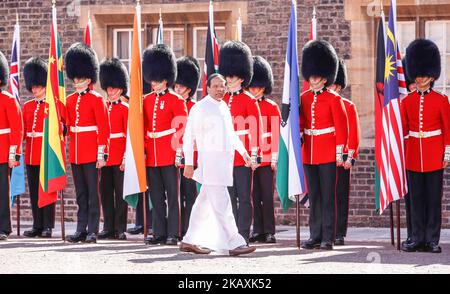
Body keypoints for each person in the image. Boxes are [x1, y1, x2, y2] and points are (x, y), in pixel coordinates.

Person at [180, 73, 256, 256]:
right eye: (216, 86)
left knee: (203, 204)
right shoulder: (200, 108)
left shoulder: (223, 107)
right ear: (207, 88)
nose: (220, 89)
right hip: (210, 164)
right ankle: (234, 242)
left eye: (223, 86)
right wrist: (188, 163)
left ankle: (189, 241)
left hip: (223, 164)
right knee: (223, 203)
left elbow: (231, 134)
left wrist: (244, 152)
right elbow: (189, 136)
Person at [401, 39, 450, 253]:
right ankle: (417, 237)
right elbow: (403, 131)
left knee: (433, 200)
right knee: (416, 199)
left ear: (431, 76)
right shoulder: (407, 101)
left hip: (434, 154)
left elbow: (447, 129)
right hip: (413, 154)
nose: (419, 78)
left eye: (423, 75)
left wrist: (447, 152)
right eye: (417, 74)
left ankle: (432, 239)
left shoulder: (441, 100)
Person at [300, 40, 348, 251]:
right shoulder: (304, 98)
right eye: (311, 76)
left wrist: (340, 153)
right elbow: (300, 124)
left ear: (325, 77)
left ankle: (328, 237)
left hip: (328, 152)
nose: (314, 79)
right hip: (309, 152)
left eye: (318, 76)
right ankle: (315, 235)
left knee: (328, 197)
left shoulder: (334, 99)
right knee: (315, 197)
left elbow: (342, 127)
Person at [142, 44, 188, 246]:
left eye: (158, 79)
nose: (155, 83)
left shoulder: (176, 100)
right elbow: (143, 127)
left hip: (169, 152)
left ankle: (173, 233)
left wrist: (179, 152)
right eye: (152, 79)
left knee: (173, 195)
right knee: (157, 196)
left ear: (166, 79)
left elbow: (182, 128)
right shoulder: (147, 100)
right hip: (152, 153)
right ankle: (159, 232)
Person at [65, 43, 111, 243]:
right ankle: (80, 228)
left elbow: (104, 128)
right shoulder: (69, 100)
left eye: (80, 78)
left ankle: (93, 229)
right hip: (75, 152)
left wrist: (102, 154)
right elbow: (66, 126)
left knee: (93, 193)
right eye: (75, 78)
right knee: (81, 194)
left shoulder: (96, 99)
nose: (77, 81)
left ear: (89, 78)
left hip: (91, 152)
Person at [219, 41, 262, 243]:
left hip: (242, 156)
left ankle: (243, 233)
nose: (228, 79)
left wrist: (254, 155)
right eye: (227, 75)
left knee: (244, 198)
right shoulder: (221, 99)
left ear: (241, 77)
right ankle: (230, 233)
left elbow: (255, 130)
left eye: (232, 76)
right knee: (228, 198)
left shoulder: (249, 100)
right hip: (224, 156)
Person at [22, 57, 66, 238]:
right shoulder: (27, 106)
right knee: (33, 191)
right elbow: (23, 130)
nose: (34, 89)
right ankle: (37, 224)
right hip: (31, 154)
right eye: (32, 86)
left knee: (47, 190)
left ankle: (48, 225)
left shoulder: (52, 107)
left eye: (38, 85)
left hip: (46, 153)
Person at [247, 56, 280, 244]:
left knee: (267, 196)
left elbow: (275, 134)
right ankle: (257, 229)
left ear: (264, 87)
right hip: (251, 157)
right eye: (251, 86)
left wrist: (274, 158)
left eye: (257, 87)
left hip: (267, 156)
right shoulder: (246, 104)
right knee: (254, 196)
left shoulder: (271, 107)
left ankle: (269, 231)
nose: (254, 90)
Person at [328, 59, 360, 246]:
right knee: (324, 196)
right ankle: (325, 230)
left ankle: (338, 232)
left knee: (340, 195)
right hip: (324, 155)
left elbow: (353, 133)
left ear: (338, 85)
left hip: (341, 159)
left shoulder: (347, 105)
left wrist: (350, 156)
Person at [98, 58, 129, 240]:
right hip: (106, 157)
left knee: (121, 194)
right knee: (106, 193)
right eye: (108, 88)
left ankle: (120, 228)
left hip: (119, 157)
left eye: (113, 87)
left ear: (121, 88)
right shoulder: (103, 107)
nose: (110, 91)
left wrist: (125, 158)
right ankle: (108, 226)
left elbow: (127, 136)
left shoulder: (125, 109)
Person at [174, 56, 200, 236]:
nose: (177, 89)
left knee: (190, 197)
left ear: (189, 89)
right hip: (174, 158)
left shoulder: (195, 107)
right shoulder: (171, 104)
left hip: (191, 158)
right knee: (176, 197)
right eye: (175, 86)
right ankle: (177, 229)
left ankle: (190, 230)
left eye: (180, 87)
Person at [0, 51, 23, 241]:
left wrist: (14, 154)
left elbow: (17, 129)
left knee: (2, 192)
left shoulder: (8, 99)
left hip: (3, 152)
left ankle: (3, 228)